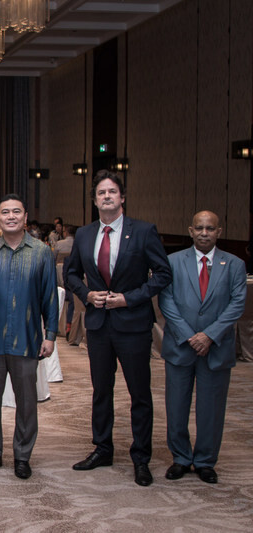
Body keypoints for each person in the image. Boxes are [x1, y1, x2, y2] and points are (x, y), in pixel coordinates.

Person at [67, 170, 171, 486]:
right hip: (98, 325)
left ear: (122, 197)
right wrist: (86, 294)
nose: (107, 196)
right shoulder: (84, 234)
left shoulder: (143, 231)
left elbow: (163, 274)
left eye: (113, 191)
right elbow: (70, 274)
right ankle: (103, 448)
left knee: (139, 394)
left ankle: (141, 457)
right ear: (95, 200)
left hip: (133, 325)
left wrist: (129, 298)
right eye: (102, 193)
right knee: (101, 391)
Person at [0, 194, 58, 480]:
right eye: (5, 212)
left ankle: (22, 455)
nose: (11, 216)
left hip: (27, 338)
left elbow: (50, 297)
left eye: (16, 211)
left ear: (25, 217)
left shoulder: (41, 252)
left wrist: (50, 334)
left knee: (27, 402)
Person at [158, 210, 246, 484]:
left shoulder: (234, 264)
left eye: (210, 228)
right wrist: (189, 336)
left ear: (219, 231)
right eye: (200, 228)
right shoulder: (172, 262)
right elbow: (166, 302)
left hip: (216, 348)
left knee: (212, 408)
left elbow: (237, 305)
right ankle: (181, 458)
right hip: (181, 347)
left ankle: (206, 460)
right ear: (190, 230)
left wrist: (208, 336)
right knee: (176, 406)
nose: (204, 233)